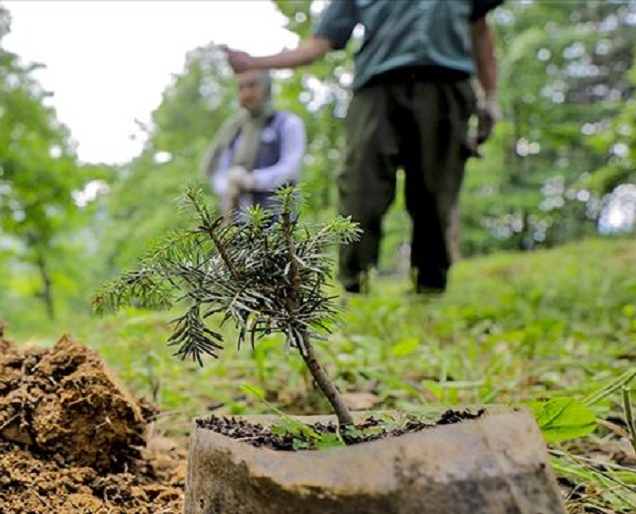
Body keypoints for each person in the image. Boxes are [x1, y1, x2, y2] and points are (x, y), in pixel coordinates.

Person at [227, 0, 504, 294]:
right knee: (361, 187)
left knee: (436, 191)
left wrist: (491, 96)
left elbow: (479, 29)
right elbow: (316, 45)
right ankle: (354, 285)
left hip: (446, 84)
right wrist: (254, 62)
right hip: (376, 89)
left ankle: (430, 288)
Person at [203, 70, 306, 224]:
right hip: (237, 221)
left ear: (266, 87)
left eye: (252, 85)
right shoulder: (233, 130)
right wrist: (229, 184)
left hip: (278, 221)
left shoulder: (287, 123)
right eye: (241, 87)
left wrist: (252, 180)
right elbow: (218, 173)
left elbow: (290, 169)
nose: (246, 93)